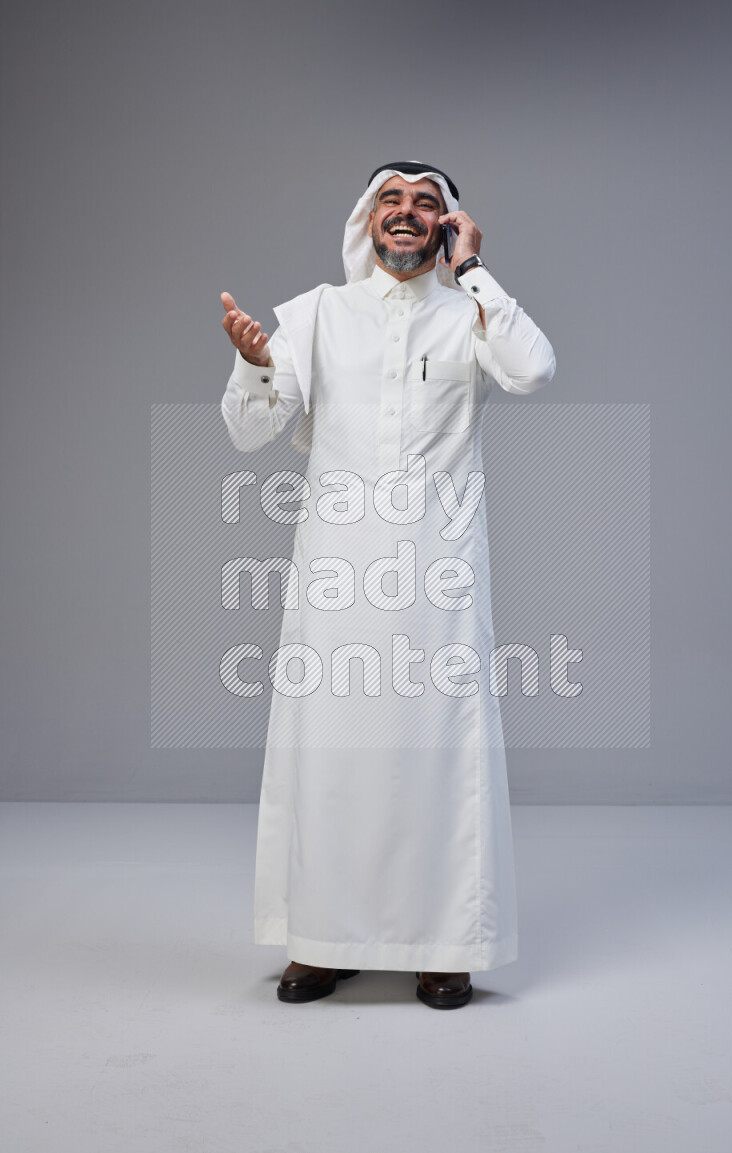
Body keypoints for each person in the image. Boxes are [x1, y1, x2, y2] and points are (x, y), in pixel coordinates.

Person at [220, 162, 556, 1009]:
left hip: (439, 578)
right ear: (366, 220)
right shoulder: (318, 314)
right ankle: (321, 941)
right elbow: (250, 430)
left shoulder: (471, 314)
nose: (406, 213)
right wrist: (255, 365)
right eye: (391, 200)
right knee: (331, 754)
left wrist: (472, 268)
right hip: (336, 574)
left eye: (426, 203)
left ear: (447, 224)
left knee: (438, 755)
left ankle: (446, 945)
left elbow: (534, 370)